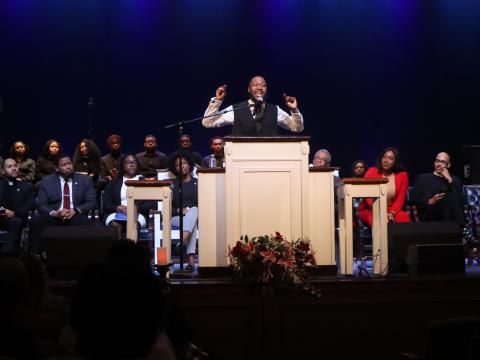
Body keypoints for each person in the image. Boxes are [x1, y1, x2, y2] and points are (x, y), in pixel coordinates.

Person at [29, 155, 97, 255]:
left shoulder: (85, 180)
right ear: (57, 168)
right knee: (36, 221)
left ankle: (85, 257)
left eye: (69, 163)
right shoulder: (47, 181)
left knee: (87, 223)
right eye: (64, 165)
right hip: (55, 215)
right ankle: (36, 257)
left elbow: (92, 202)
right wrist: (54, 213)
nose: (68, 167)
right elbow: (41, 204)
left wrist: (75, 210)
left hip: (75, 214)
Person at [411, 152, 477, 246]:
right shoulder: (422, 178)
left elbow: (461, 203)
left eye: (442, 162)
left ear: (448, 165)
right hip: (429, 213)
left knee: (449, 196)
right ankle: (465, 231)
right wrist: (429, 201)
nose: (439, 164)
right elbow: (412, 200)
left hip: (449, 217)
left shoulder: (454, 180)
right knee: (448, 196)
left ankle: (462, 231)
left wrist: (449, 180)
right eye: (437, 161)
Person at [203, 75, 304, 135]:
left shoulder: (275, 110)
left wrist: (294, 110)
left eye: (263, 85)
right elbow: (207, 122)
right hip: (241, 163)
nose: (259, 87)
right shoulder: (235, 109)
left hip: (269, 160)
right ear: (249, 89)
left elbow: (297, 128)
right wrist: (217, 101)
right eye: (255, 85)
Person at [103, 155, 156, 239]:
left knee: (132, 225)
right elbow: (106, 204)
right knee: (115, 226)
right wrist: (117, 208)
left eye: (134, 162)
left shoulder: (144, 182)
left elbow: (152, 203)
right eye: (128, 162)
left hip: (138, 213)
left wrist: (133, 209)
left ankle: (130, 250)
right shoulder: (114, 182)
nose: (131, 164)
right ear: (123, 166)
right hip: (116, 214)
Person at [359, 147, 411, 226]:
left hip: (392, 209)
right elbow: (368, 197)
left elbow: (400, 199)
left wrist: (391, 213)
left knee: (404, 218)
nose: (386, 160)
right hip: (371, 209)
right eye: (384, 157)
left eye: (390, 158)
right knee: (377, 220)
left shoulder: (402, 175)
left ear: (395, 161)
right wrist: (382, 212)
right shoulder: (372, 171)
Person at [169, 151, 198, 272]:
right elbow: (167, 206)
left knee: (194, 210)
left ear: (189, 165)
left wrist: (189, 210)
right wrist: (178, 210)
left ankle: (181, 241)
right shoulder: (172, 184)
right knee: (192, 223)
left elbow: (202, 203)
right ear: (174, 168)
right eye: (178, 165)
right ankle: (190, 262)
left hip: (194, 215)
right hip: (175, 218)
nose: (182, 166)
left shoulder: (197, 183)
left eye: (184, 163)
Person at [0, 159, 35, 252]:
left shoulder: (27, 186)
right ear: (3, 171)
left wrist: (14, 213)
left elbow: (30, 205)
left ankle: (6, 257)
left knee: (17, 222)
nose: (14, 168)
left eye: (15, 166)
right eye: (9, 167)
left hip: (15, 218)